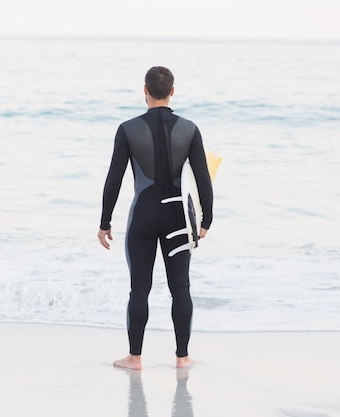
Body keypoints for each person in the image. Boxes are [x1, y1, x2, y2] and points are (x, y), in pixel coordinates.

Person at [97, 66, 213, 370]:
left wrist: (104, 221)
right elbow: (203, 180)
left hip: (144, 217)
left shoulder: (127, 129)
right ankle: (182, 357)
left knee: (139, 289)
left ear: (145, 91)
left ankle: (135, 358)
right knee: (181, 288)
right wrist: (206, 220)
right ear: (172, 92)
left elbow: (114, 179)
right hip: (178, 218)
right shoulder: (189, 129)